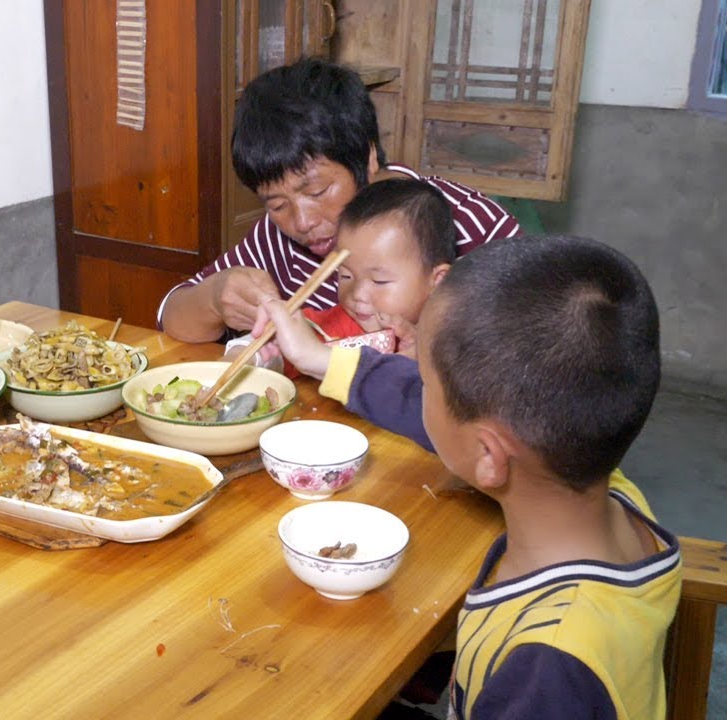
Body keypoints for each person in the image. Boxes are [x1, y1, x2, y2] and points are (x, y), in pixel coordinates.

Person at [417, 235, 681, 718]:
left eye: (422, 382)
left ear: (488, 455)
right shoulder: (614, 491)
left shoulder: (546, 673)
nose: (419, 395)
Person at [157, 57, 518, 344]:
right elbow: (172, 315)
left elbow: (536, 362)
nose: (302, 222)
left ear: (368, 158)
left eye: (316, 192)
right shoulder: (278, 236)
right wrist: (215, 299)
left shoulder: (469, 224)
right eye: (277, 204)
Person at [265, 178, 455, 359]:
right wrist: (262, 346)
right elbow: (270, 347)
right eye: (346, 276)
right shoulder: (333, 325)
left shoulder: (453, 341)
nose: (358, 294)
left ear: (437, 281)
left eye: (379, 281)